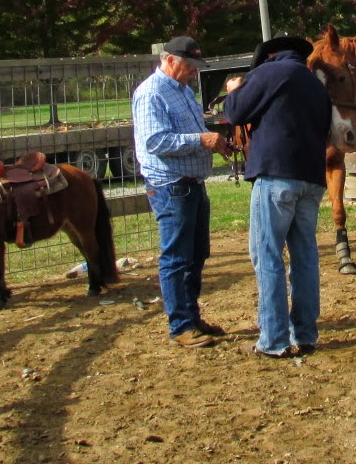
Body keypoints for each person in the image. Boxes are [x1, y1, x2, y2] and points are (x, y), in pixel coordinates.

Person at [223, 35, 333, 358]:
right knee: (305, 254)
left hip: (275, 174)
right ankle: (306, 333)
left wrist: (234, 90)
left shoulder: (269, 73)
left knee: (267, 253)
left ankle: (274, 338)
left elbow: (235, 112)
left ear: (271, 55)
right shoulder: (316, 84)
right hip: (311, 178)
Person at [132, 35, 231, 348]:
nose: (193, 71)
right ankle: (180, 326)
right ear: (170, 60)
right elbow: (155, 141)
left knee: (197, 254)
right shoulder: (151, 93)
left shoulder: (184, 91)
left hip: (192, 183)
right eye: (189, 65)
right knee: (176, 257)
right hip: (171, 185)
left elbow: (191, 132)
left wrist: (213, 141)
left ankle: (191, 317)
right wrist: (202, 140)